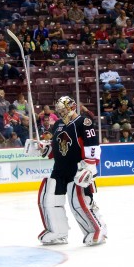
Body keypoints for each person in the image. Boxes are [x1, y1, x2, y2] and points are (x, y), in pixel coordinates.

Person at [33, 96, 107, 246]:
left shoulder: (84, 123)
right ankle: (57, 232)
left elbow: (92, 147)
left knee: (79, 202)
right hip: (59, 169)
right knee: (49, 200)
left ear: (72, 107)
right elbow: (56, 148)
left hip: (77, 169)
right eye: (59, 110)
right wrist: (43, 148)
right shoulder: (58, 125)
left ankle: (97, 230)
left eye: (63, 109)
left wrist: (90, 167)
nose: (61, 113)